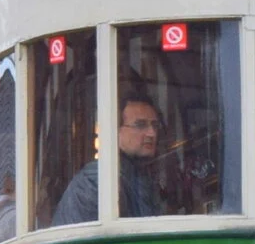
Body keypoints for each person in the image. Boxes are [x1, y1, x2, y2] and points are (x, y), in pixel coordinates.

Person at [50, 96, 167, 227]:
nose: (152, 133)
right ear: (116, 131)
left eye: (155, 126)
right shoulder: (96, 181)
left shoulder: (139, 176)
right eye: (140, 125)